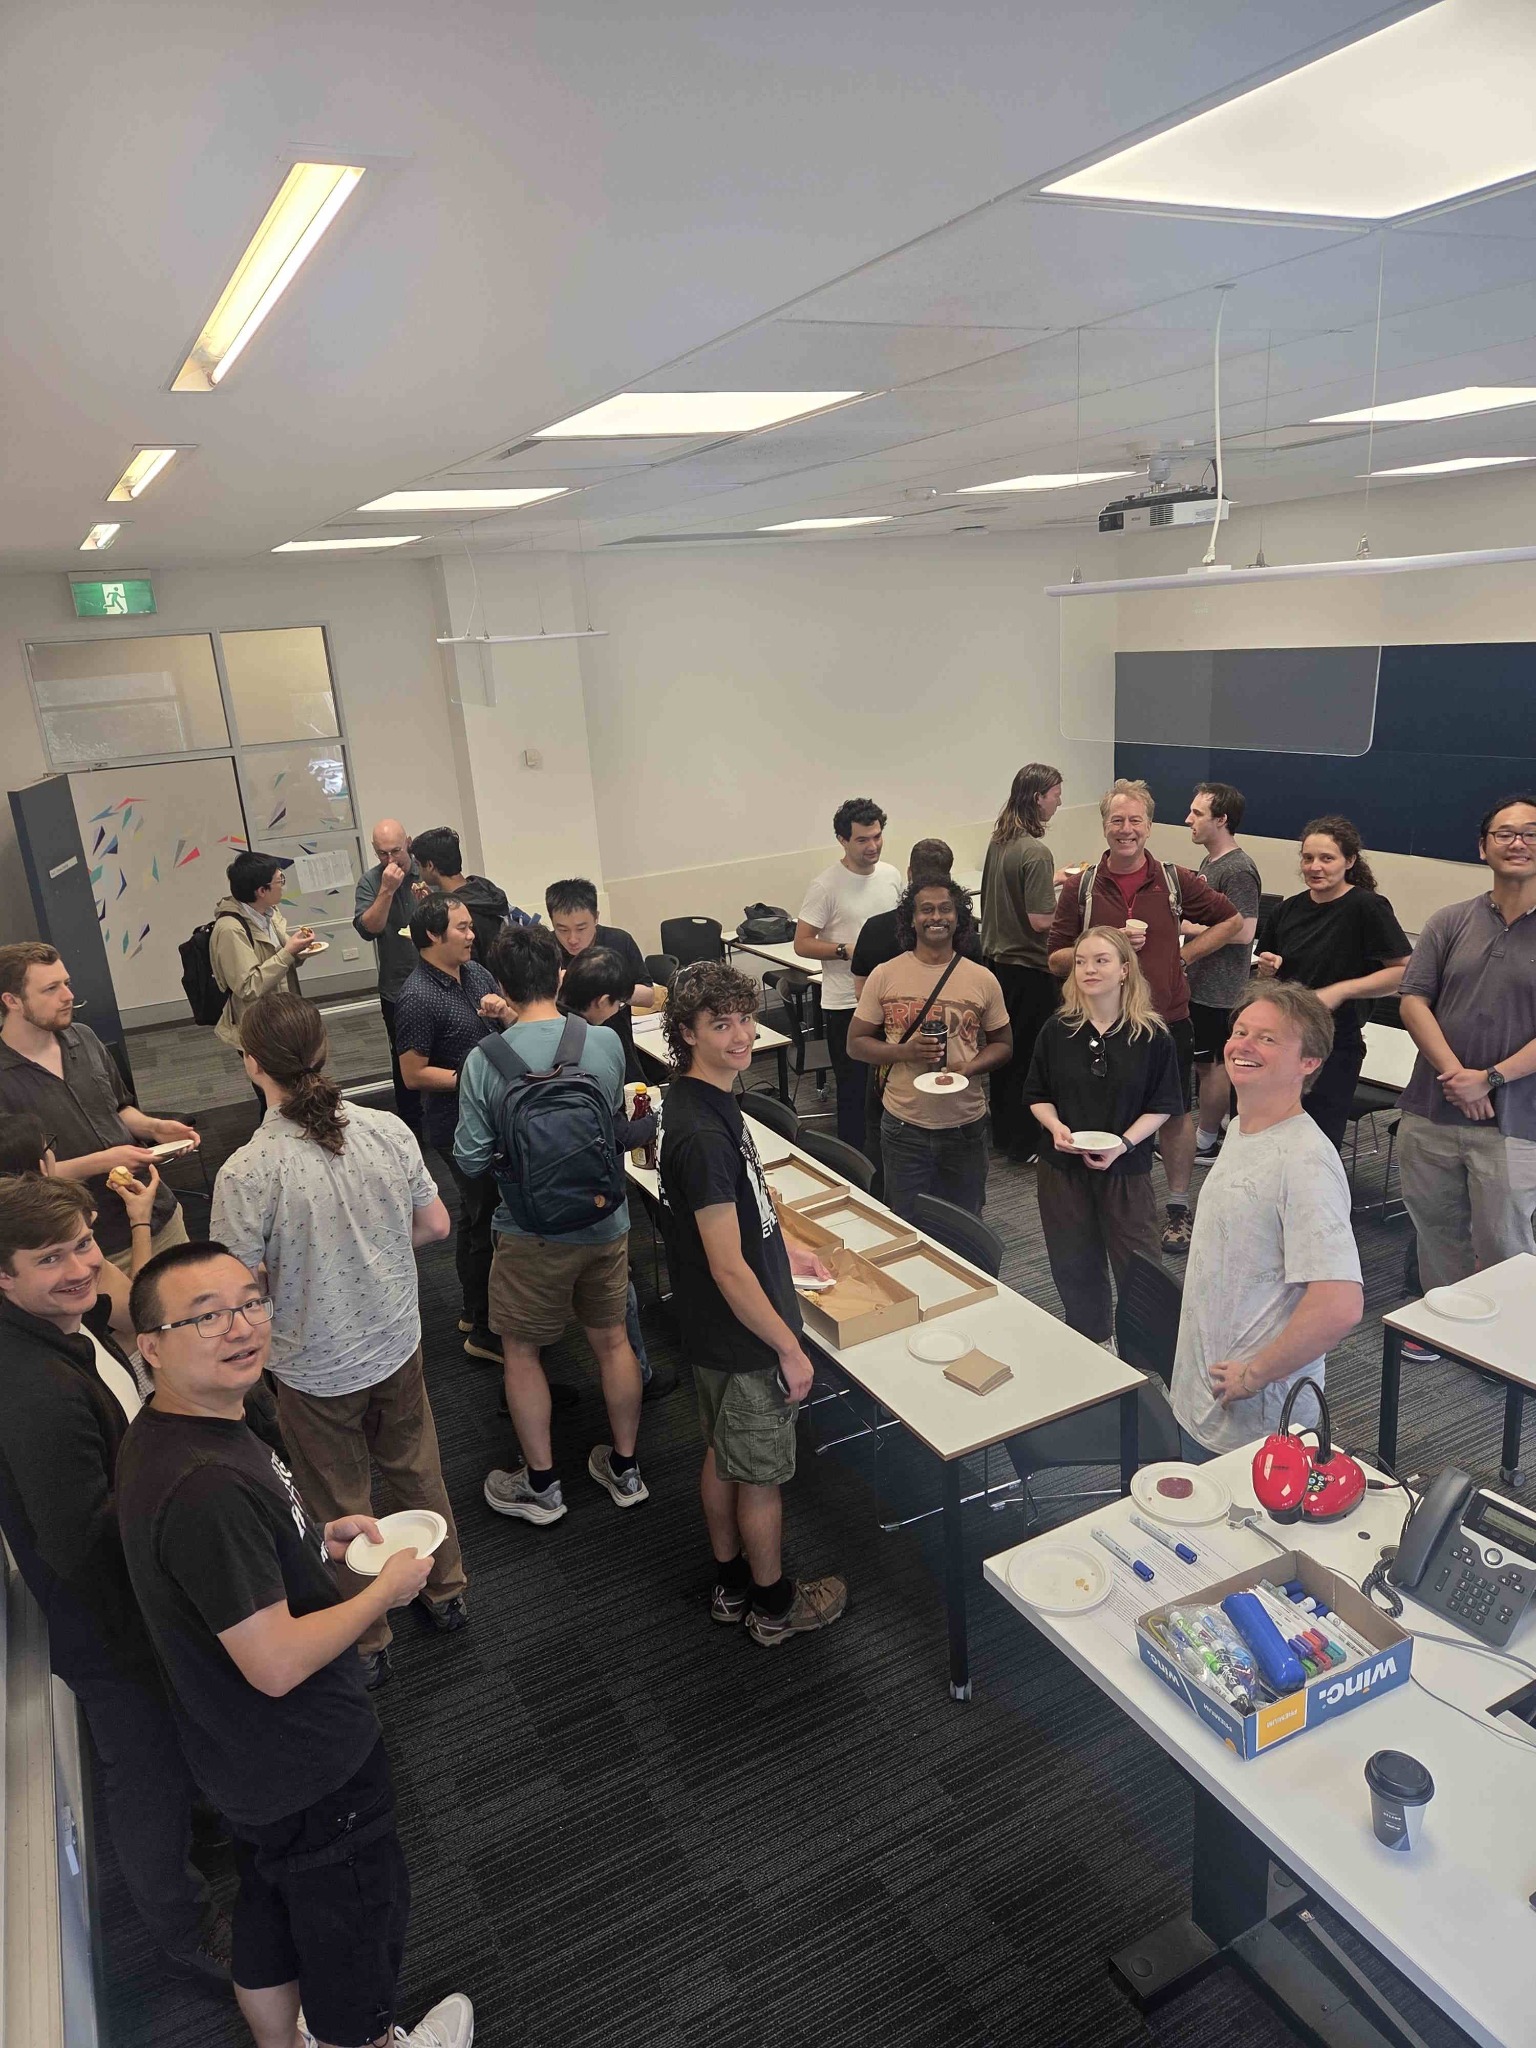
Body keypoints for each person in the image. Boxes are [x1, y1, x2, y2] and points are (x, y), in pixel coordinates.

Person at [118, 1242, 474, 2048]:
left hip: (240, 1757)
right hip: (308, 1763)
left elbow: (239, 1570)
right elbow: (274, 1660)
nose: (239, 1327)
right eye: (204, 1316)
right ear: (151, 1344)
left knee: (271, 1907)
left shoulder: (183, 1429)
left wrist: (321, 1541)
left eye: (250, 1302)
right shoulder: (205, 1486)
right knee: (355, 1930)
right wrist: (382, 1591)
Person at [0, 1176, 230, 1989]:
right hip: (112, 1621)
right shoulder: (34, 1391)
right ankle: (185, 1929)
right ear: (3, 1277)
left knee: (172, 1741)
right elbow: (78, 1539)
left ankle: (206, 1827)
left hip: (136, 1599)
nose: (77, 1267)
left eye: (82, 1245)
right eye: (49, 1257)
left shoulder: (61, 1326)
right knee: (146, 1773)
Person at [211, 992, 466, 1691]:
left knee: (336, 1501)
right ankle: (446, 1591)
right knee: (418, 1467)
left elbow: (236, 1288)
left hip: (312, 1365)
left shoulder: (247, 1171)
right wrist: (379, 1249)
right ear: (322, 1051)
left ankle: (369, 1636)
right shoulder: (387, 1130)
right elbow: (437, 1226)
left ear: (253, 1065)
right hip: (396, 1339)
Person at [656, 961, 847, 1646]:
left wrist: (783, 1246)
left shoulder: (697, 1101)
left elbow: (740, 1221)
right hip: (743, 1340)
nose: (741, 1037)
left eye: (744, 1019)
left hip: (712, 1330)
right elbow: (728, 1268)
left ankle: (731, 1585)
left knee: (722, 1454)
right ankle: (773, 1607)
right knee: (760, 1477)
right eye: (720, 1024)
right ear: (687, 1032)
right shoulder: (704, 1133)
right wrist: (790, 1349)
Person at [456, 924, 648, 1526]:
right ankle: (625, 1470)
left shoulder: (483, 1060)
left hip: (529, 1229)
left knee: (521, 1352)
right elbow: (613, 1122)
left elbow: (468, 1157)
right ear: (560, 976)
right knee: (612, 1340)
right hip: (605, 1219)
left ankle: (542, 1486)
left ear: (502, 987)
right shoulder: (603, 1043)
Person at [1048, 779, 1241, 1255]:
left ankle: (1176, 1208)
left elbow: (1232, 921)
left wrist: (1185, 956)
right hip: (1100, 1022)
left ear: (1150, 827)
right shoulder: (1082, 886)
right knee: (1101, 1110)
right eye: (1117, 820)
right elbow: (1054, 959)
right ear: (1105, 827)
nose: (1126, 829)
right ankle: (1105, 1193)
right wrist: (1102, 943)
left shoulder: (1177, 880)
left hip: (1164, 1019)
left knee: (1173, 1114)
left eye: (1135, 820)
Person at [1170, 985, 1363, 1460]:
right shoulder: (1242, 1127)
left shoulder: (1305, 1162)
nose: (1243, 1045)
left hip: (1254, 1424)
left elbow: (1339, 1305)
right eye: (1240, 1032)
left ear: (1309, 1063)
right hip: (1204, 1395)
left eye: (1268, 1039)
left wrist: (1255, 1374)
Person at [1396, 795, 1536, 1290]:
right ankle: (1442, 1321)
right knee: (1436, 1231)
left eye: (1531, 833)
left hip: (1516, 1122)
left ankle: (1506, 1343)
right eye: (1505, 833)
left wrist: (1491, 1079)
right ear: (1483, 848)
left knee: (1505, 1241)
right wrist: (1459, 1077)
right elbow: (1413, 999)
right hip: (1431, 1109)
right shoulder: (1449, 920)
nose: (1518, 842)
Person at [1024, 928, 1182, 1342]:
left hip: (1126, 1168)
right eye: (1080, 962)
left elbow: (1163, 1104)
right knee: (1072, 1261)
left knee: (1138, 1265)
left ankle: (1144, 1351)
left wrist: (1124, 1144)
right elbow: (1037, 1094)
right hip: (1062, 1168)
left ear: (1125, 970)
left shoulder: (1151, 1035)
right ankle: (1092, 1340)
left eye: (1101, 960)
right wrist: (1055, 1127)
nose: (1089, 969)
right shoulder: (1058, 1029)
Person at [0, 941, 195, 1269]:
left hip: (157, 1211)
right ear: (12, 1001)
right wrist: (103, 1162)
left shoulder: (84, 1038)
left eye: (67, 983)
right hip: (91, 1242)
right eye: (51, 988)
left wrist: (154, 1127)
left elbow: (119, 1108)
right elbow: (16, 1180)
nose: (68, 996)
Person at [848, 877, 1011, 1220]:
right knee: (907, 1225)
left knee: (965, 1225)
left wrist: (971, 1067)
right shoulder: (885, 974)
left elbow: (1004, 1045)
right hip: (904, 1125)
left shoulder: (982, 978)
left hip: (965, 1125)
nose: (936, 917)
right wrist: (905, 1052)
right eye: (926, 910)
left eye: (945, 909)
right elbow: (855, 1044)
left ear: (958, 918)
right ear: (911, 918)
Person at [392, 892, 509, 1363]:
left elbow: (504, 1024)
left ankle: (472, 1308)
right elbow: (413, 1074)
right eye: (461, 928)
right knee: (485, 1219)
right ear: (432, 937)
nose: (471, 933)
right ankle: (483, 1331)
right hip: (456, 1124)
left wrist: (503, 1013)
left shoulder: (475, 972)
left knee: (477, 1213)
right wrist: (471, 1078)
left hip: (487, 1116)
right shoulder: (417, 997)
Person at [559, 947, 678, 1403]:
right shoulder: (598, 1044)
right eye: (621, 1004)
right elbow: (614, 1133)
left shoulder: (542, 1030)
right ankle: (640, 1379)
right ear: (605, 1001)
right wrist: (652, 1124)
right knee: (615, 1306)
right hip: (596, 1198)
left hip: (540, 1203)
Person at [1254, 815, 1412, 1151]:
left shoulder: (1367, 907)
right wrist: (1267, 969)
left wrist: (1342, 990)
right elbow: (1266, 968)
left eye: (1327, 858)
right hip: (1282, 1038)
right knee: (1271, 1135)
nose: (1315, 866)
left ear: (1350, 861)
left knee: (1315, 1143)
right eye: (1308, 858)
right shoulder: (1288, 910)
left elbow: (1404, 973)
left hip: (1334, 1044)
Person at [796, 798, 904, 1152]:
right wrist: (846, 950)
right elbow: (802, 944)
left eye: (876, 836)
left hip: (892, 999)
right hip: (846, 1002)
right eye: (862, 840)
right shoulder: (826, 886)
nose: (872, 846)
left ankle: (889, 1157)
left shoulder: (890, 875)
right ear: (843, 839)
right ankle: (856, 1168)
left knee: (891, 1086)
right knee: (854, 1091)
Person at [980, 764, 1069, 1163]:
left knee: (1004, 1053)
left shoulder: (1001, 842)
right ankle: (1025, 1141)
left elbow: (1012, 894)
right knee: (1031, 1058)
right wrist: (1073, 911)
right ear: (1038, 797)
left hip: (997, 964)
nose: (1060, 801)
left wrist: (1053, 881)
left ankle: (1003, 1134)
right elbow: (1039, 921)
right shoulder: (1036, 851)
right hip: (1029, 969)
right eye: (1055, 794)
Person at [1184, 781, 1262, 1166]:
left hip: (1220, 989)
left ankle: (1206, 1140)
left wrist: (1187, 929)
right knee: (1203, 1064)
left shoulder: (1239, 870)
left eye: (1197, 813)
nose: (1188, 820)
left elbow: (1245, 930)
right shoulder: (1210, 863)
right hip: (1201, 983)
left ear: (1222, 820)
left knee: (1212, 1066)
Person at [352, 818, 425, 1136]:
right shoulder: (371, 882)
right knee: (404, 1058)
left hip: (440, 979)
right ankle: (411, 1130)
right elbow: (370, 929)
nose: (391, 859)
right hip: (397, 986)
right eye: (383, 854)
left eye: (396, 850)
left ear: (408, 842)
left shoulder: (428, 871)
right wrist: (386, 891)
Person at [209, 851, 315, 1060]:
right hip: (259, 1028)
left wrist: (299, 950)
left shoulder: (269, 914)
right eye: (279, 880)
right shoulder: (230, 929)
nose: (282, 885)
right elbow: (248, 986)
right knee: (273, 1089)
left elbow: (278, 958)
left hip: (284, 1017)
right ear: (261, 891)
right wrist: (288, 952)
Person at [545, 877, 653, 1080]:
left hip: (620, 1051)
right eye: (562, 930)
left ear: (596, 918)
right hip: (565, 1060)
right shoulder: (546, 950)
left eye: (581, 928)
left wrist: (611, 987)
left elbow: (648, 996)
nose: (573, 939)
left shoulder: (619, 941)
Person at [412, 823, 530, 966]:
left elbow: (466, 965)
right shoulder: (483, 888)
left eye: (418, 865)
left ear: (430, 866)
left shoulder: (459, 911)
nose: (418, 871)